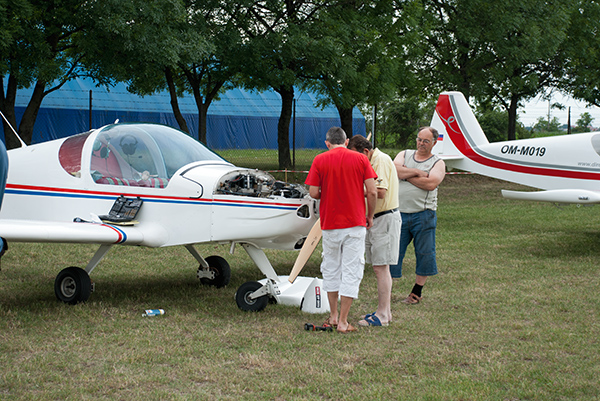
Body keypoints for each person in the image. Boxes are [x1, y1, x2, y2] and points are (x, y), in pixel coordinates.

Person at [305, 127, 377, 333]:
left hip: (330, 223)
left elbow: (313, 192)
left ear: (327, 143)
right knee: (351, 270)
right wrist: (370, 215)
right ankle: (344, 321)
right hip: (355, 222)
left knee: (331, 268)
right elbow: (372, 191)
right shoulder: (361, 159)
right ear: (346, 142)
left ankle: (334, 315)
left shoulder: (320, 160)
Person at [347, 135, 400, 327]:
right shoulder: (372, 161)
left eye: (355, 156)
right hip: (376, 218)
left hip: (384, 218)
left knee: (381, 267)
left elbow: (380, 191)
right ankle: (383, 311)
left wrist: (348, 187)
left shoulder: (381, 160)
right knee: (378, 266)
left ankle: (384, 315)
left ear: (365, 152)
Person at [390, 126, 446, 304]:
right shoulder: (404, 154)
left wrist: (405, 174)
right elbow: (393, 171)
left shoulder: (438, 163)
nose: (421, 143)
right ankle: (387, 290)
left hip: (424, 215)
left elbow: (431, 184)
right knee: (392, 253)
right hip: (399, 213)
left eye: (426, 141)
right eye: (419, 139)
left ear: (434, 143)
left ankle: (416, 292)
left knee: (425, 253)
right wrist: (416, 172)